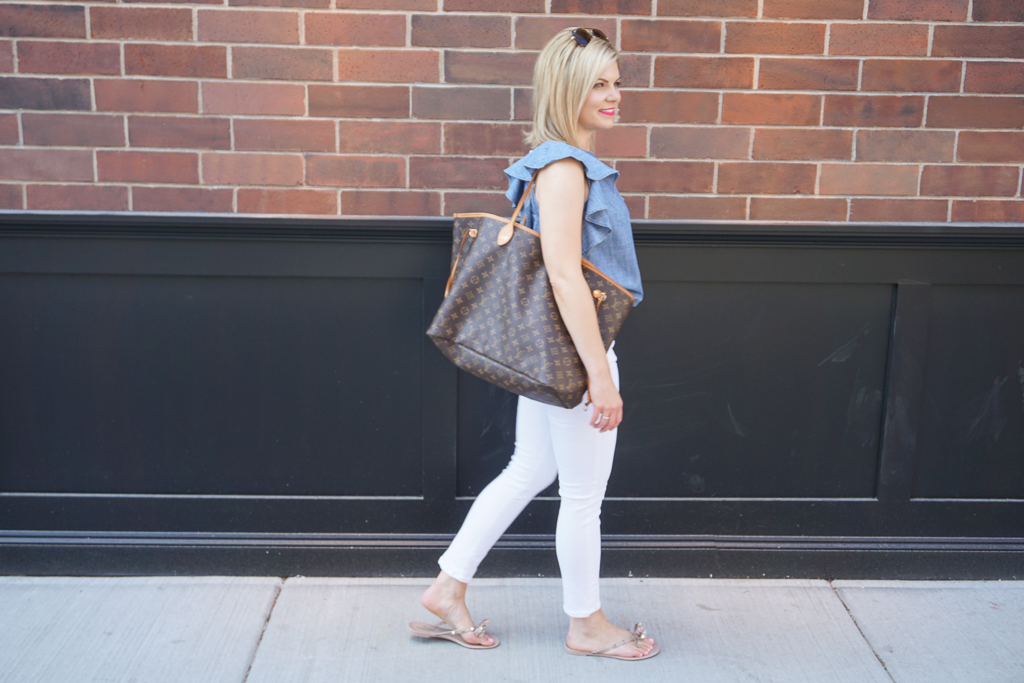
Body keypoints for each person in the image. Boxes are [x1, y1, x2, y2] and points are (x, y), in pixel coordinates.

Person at [409, 27, 656, 661]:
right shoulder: (566, 168)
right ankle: (588, 625)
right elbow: (566, 275)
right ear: (567, 88)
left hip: (553, 350)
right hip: (575, 352)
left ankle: (446, 589)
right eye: (598, 84)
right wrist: (601, 377)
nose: (614, 95)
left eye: (616, 81)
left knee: (529, 471)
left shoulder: (553, 162)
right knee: (581, 496)